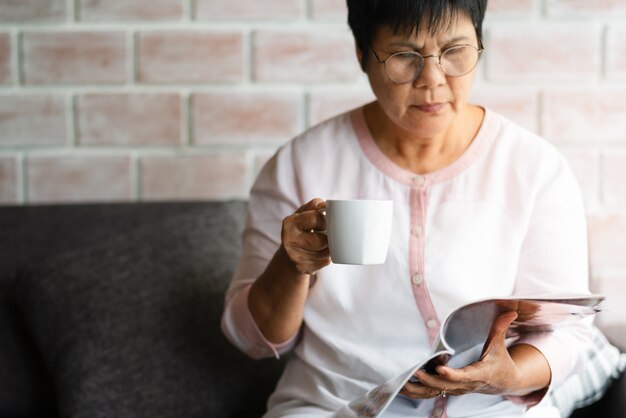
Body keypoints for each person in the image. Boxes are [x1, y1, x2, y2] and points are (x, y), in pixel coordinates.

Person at [220, 1, 616, 417]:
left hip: (491, 408)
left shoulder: (534, 166)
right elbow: (251, 339)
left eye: (455, 51)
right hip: (334, 406)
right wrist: (290, 265)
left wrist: (509, 376)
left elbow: (566, 331)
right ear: (362, 54)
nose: (432, 80)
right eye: (404, 56)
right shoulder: (300, 165)